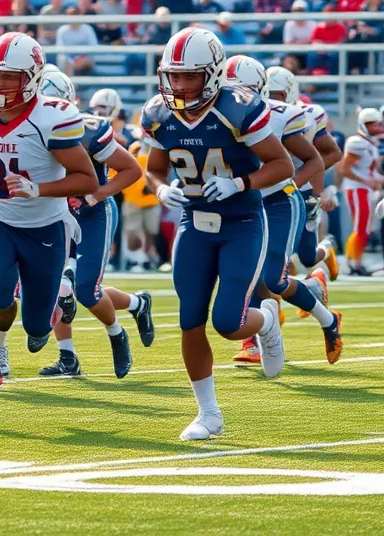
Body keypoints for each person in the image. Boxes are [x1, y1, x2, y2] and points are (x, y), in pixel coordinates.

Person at [141, 28, 291, 440]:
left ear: (212, 74)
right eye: (173, 76)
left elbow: (282, 166)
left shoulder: (240, 108)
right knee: (190, 318)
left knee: (227, 322)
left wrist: (240, 183)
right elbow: (153, 168)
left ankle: (266, 322)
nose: (180, 86)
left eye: (190, 76)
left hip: (241, 223)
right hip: (194, 224)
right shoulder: (158, 113)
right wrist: (160, 188)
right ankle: (208, 414)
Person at [0, 32, 98, 410]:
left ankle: (57, 300)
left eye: (9, 77)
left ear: (31, 77)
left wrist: (39, 188)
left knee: (36, 327)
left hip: (44, 227)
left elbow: (87, 179)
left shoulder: (51, 118)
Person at [30, 69, 154, 379]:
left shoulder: (87, 129)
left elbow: (130, 170)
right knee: (60, 288)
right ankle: (68, 357)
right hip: (54, 216)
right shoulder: (24, 129)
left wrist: (96, 195)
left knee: (86, 290)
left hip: (92, 213)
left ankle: (116, 334)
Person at [224, 57, 342, 366]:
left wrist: (290, 185)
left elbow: (315, 160)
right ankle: (257, 337)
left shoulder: (281, 114)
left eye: (243, 89)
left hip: (278, 202)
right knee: (245, 274)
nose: (236, 96)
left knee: (274, 279)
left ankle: (328, 320)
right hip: (242, 203)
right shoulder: (215, 114)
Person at [266, 67, 342, 279]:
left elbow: (332, 154)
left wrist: (304, 183)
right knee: (272, 252)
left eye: (275, 94)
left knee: (307, 256)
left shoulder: (309, 115)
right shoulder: (255, 112)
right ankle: (269, 307)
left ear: (288, 93)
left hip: (302, 189)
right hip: (268, 188)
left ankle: (326, 249)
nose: (270, 99)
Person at [338, 108, 384, 275]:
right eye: (372, 125)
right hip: (357, 189)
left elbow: (368, 171)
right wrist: (367, 180)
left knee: (365, 228)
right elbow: (344, 168)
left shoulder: (370, 143)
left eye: (377, 124)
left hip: (364, 188)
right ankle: (353, 263)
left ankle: (355, 261)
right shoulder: (357, 142)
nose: (376, 128)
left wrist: (378, 179)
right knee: (361, 228)